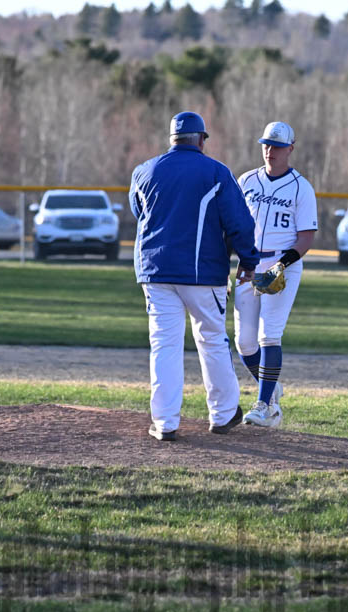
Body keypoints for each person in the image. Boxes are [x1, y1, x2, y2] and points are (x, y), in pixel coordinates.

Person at [130, 111, 260, 441]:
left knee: (164, 345)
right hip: (202, 272)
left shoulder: (144, 171)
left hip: (155, 271)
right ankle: (223, 414)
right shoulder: (216, 171)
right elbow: (239, 223)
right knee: (212, 340)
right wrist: (249, 259)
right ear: (201, 139)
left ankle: (165, 423)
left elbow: (139, 212)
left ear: (172, 139)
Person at [233, 121, 318, 427]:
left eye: (278, 146)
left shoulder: (300, 187)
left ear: (290, 149)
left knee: (269, 335)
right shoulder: (246, 181)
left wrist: (281, 265)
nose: (270, 151)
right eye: (267, 145)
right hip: (249, 263)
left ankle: (265, 406)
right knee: (244, 343)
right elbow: (232, 226)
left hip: (282, 265)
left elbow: (306, 237)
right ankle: (270, 388)